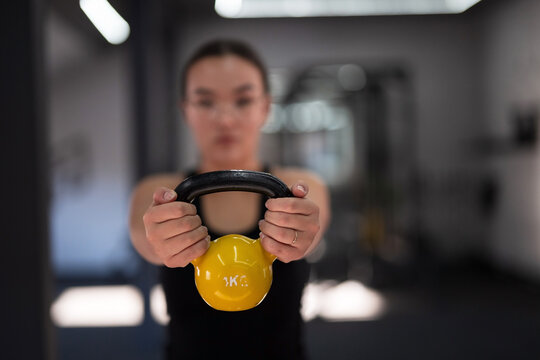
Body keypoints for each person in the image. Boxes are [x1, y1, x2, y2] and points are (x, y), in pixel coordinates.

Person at [128, 39, 330, 359]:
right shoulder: (159, 190)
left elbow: (312, 228)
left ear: (265, 107)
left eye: (243, 100)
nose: (224, 119)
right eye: (206, 102)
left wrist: (301, 229)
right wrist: (160, 238)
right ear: (186, 111)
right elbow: (144, 234)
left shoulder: (300, 186)